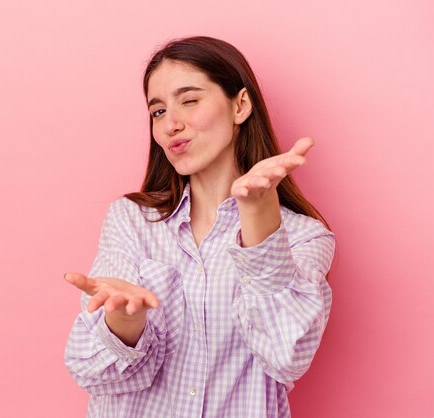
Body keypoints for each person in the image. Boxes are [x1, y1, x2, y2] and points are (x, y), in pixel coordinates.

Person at [63, 35, 336, 418]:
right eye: (158, 111)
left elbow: (285, 356)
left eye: (189, 100)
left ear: (240, 105)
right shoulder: (131, 221)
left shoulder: (305, 238)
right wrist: (125, 323)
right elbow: (93, 373)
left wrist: (258, 215)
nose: (171, 124)